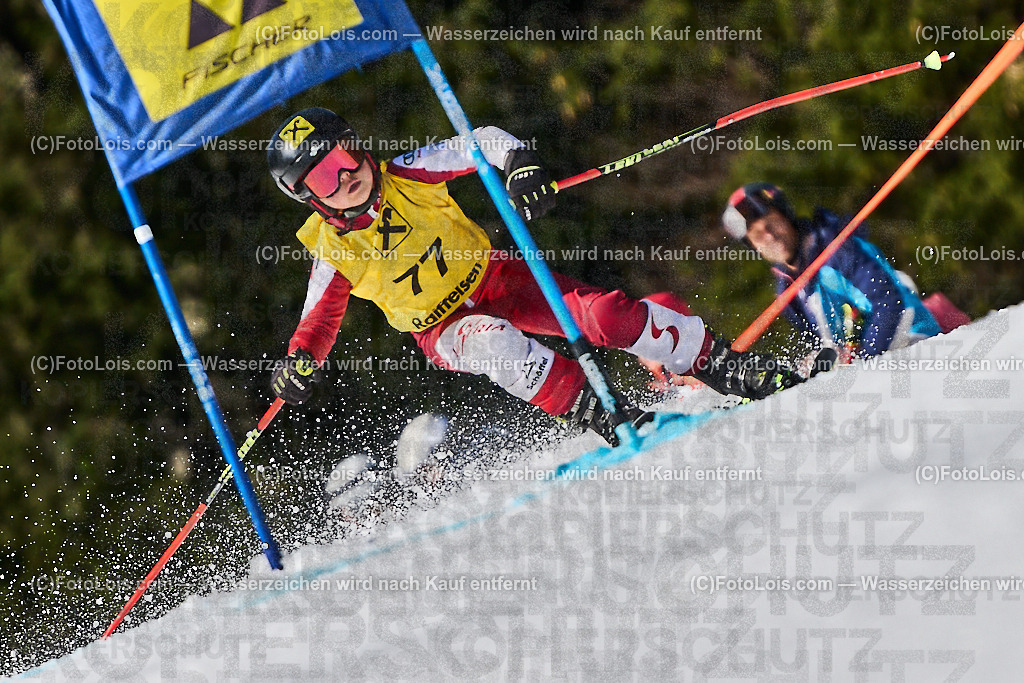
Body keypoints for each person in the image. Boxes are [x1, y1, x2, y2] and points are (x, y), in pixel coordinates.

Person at [265, 108, 801, 445]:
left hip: (499, 277)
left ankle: (731, 366)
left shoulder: (407, 172)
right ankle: (604, 412)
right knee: (494, 344)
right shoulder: (332, 251)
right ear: (308, 197)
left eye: (342, 156)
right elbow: (317, 324)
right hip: (442, 328)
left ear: (358, 145)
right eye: (324, 177)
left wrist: (519, 163)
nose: (345, 175)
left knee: (605, 314)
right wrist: (298, 362)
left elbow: (482, 141)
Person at [722, 182, 960, 360]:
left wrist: (863, 365)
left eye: (772, 224)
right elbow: (826, 345)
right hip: (872, 369)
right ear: (753, 247)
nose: (770, 236)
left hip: (918, 346)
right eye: (758, 235)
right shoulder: (786, 292)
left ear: (786, 217)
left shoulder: (839, 248)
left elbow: (889, 303)